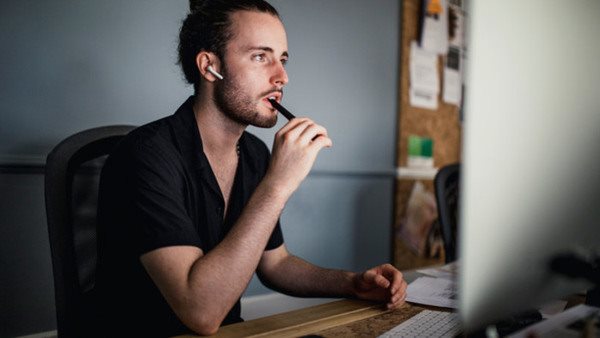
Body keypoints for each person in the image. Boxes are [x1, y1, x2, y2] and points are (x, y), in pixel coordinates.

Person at [94, 0, 408, 336]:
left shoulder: (254, 153)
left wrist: (350, 283)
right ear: (209, 67)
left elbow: (276, 263)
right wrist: (277, 184)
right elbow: (201, 312)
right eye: (261, 56)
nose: (282, 76)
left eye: (282, 59)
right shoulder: (145, 156)